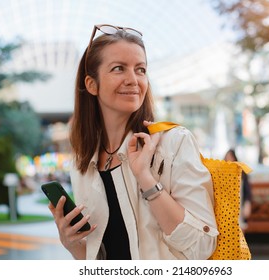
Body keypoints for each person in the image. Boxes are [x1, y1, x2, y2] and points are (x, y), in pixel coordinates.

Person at [48, 24, 218, 260]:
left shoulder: (173, 143)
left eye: (140, 69)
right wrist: (71, 243)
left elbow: (202, 246)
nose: (133, 80)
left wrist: (146, 179)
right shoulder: (83, 161)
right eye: (119, 69)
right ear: (91, 84)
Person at [224, 149, 252, 231]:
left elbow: (247, 191)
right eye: (227, 157)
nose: (229, 159)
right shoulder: (222, 172)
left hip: (240, 203)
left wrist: (247, 203)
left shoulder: (241, 171)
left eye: (230, 157)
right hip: (227, 205)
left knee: (240, 226)